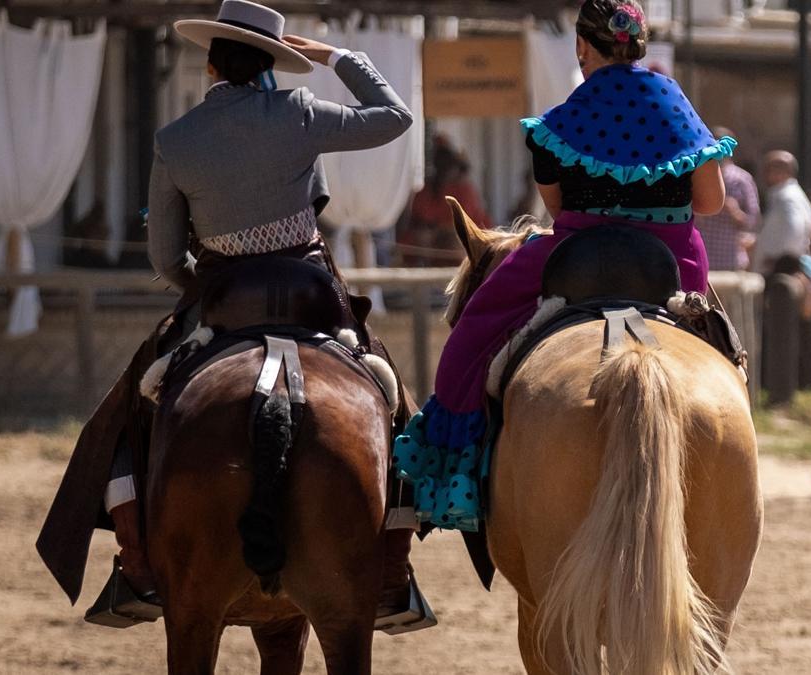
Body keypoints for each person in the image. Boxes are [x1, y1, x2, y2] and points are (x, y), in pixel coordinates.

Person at [36, 0, 418, 619]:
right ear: (270, 64)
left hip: (220, 297)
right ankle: (396, 565)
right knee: (388, 390)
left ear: (211, 65)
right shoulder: (299, 112)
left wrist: (206, 284)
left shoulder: (176, 139)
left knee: (129, 407)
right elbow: (395, 117)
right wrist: (342, 58)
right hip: (312, 293)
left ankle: (134, 561)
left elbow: (164, 258)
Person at [392, 0, 733, 531]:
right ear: (640, 46)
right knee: (723, 348)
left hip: (579, 251)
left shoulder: (567, 117)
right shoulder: (676, 104)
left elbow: (556, 210)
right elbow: (709, 203)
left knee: (473, 330)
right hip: (673, 261)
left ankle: (449, 477)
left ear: (581, 47)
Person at [401, 135, 494, 266]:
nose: (444, 168)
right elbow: (418, 221)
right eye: (440, 162)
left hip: (463, 242)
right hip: (431, 245)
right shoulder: (425, 190)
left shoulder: (465, 189)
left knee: (460, 241)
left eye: (447, 163)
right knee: (422, 238)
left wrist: (441, 230)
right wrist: (430, 231)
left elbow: (465, 224)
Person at [696, 126, 761, 271]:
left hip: (729, 261)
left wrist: (735, 212)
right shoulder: (697, 176)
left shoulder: (742, 179)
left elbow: (753, 221)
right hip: (701, 259)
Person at [752, 150, 811, 274]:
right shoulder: (786, 195)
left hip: (780, 270)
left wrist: (777, 260)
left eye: (769, 169)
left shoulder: (788, 197)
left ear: (782, 171)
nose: (765, 174)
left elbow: (794, 228)